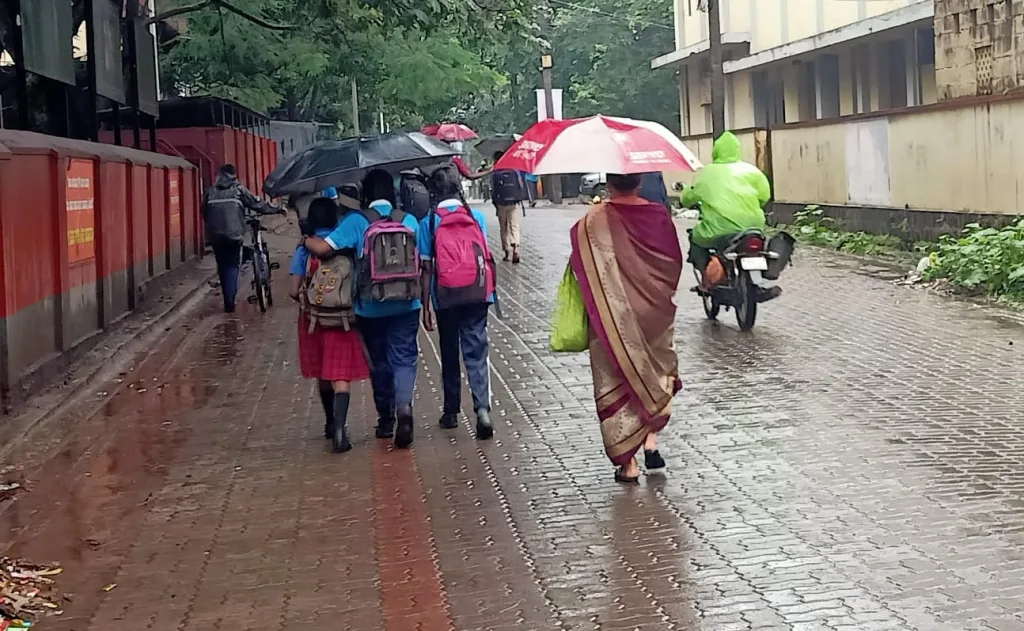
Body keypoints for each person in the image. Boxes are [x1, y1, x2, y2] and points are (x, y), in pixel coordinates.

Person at [569, 173, 683, 484]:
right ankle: (651, 444)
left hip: (612, 315)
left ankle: (629, 464)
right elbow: (673, 263)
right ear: (639, 183)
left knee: (617, 377)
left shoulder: (593, 221)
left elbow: (581, 265)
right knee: (649, 373)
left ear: (609, 184)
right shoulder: (658, 215)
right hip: (654, 315)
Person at [302, 169, 422, 449]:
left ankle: (386, 419)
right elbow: (422, 263)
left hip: (370, 306)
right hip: (407, 302)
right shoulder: (409, 220)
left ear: (365, 194)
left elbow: (324, 249)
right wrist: (426, 303)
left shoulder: (356, 221)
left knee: (379, 361)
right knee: (404, 358)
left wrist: (305, 240)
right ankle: (404, 407)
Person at [419, 165, 496, 440]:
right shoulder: (475, 217)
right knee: (477, 351)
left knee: (449, 352)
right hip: (477, 294)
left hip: (446, 296)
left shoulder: (428, 222)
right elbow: (483, 257)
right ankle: (482, 408)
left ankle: (451, 411)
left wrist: (425, 305)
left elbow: (426, 269)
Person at [289, 197, 369, 452]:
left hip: (313, 318)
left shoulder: (306, 248)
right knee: (340, 373)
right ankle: (340, 429)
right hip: (343, 318)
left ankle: (329, 421)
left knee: (323, 370)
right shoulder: (342, 240)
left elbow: (293, 290)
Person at [682, 131, 770, 273]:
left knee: (695, 240)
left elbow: (688, 198)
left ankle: (706, 279)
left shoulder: (706, 172)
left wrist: (685, 198)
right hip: (753, 227)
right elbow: (764, 197)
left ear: (715, 151)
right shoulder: (753, 171)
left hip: (717, 230)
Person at [203, 164, 284, 312]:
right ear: (234, 176)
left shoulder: (210, 192)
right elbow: (257, 203)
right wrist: (277, 208)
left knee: (222, 265)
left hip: (215, 235)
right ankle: (230, 301)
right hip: (234, 234)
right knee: (233, 265)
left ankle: (228, 300)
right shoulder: (239, 190)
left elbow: (205, 212)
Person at [491, 150, 526, 263]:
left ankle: (507, 252)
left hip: (501, 204)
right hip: (514, 203)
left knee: (504, 228)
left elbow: (494, 190)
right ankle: (516, 247)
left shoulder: (496, 173)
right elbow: (521, 185)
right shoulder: (514, 170)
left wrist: (495, 202)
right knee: (514, 226)